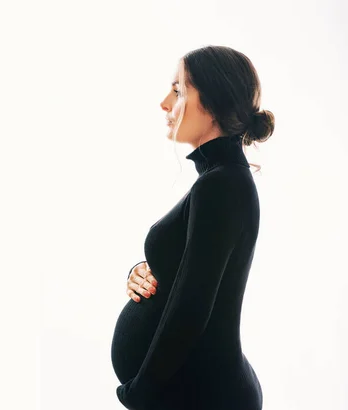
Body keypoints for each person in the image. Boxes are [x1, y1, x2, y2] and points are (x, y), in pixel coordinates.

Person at [111, 45, 275, 410]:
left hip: (205, 396)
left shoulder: (221, 185)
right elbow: (189, 275)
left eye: (179, 90)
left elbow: (192, 305)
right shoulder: (219, 181)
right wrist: (143, 273)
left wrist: (141, 391)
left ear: (213, 101)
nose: (165, 103)